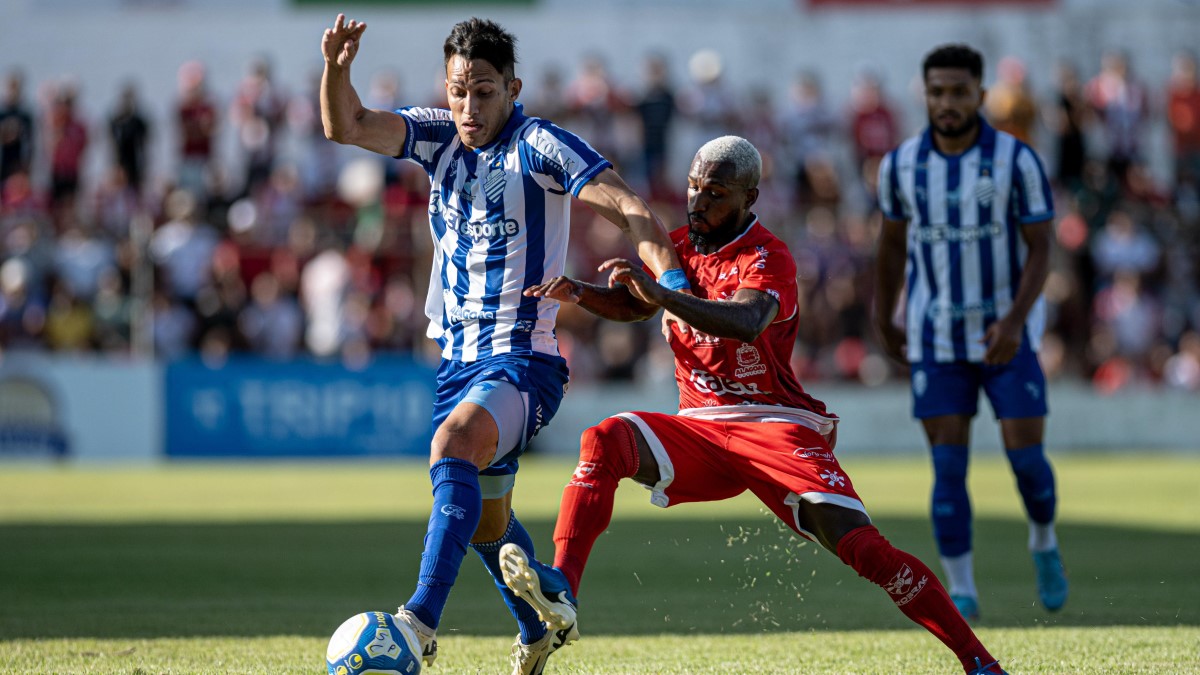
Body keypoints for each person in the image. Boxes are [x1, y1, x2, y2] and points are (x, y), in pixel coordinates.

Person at [498, 136, 1010, 675]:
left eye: (715, 193)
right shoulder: (681, 245)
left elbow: (744, 323)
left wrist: (662, 295)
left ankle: (979, 662)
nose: (698, 201)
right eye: (694, 188)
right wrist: (580, 293)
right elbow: (635, 304)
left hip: (774, 425)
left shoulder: (770, 257)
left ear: (750, 197)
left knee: (865, 550)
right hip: (698, 428)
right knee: (603, 440)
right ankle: (563, 590)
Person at [319, 14, 687, 675]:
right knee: (489, 525)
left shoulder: (542, 143)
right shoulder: (435, 136)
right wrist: (337, 69)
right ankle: (540, 620)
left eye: (483, 91)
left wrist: (675, 282)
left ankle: (417, 624)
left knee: (454, 443)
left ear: (512, 89)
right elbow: (345, 125)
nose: (468, 105)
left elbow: (628, 205)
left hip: (524, 360)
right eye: (459, 89)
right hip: (457, 361)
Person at [873, 44, 1068, 622]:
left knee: (1027, 462)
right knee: (948, 471)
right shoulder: (901, 165)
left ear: (980, 95)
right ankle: (962, 590)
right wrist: (885, 317)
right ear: (925, 95)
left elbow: (1042, 249)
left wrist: (1013, 322)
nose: (948, 103)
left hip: (1007, 336)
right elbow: (889, 247)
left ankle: (1044, 540)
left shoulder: (1017, 160)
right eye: (938, 92)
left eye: (959, 92)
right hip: (935, 338)